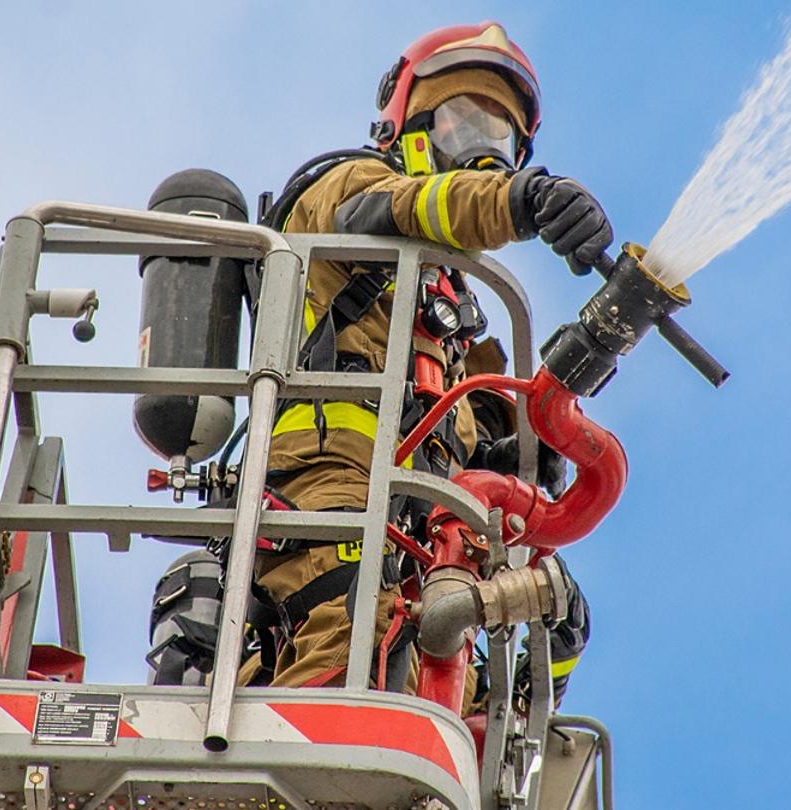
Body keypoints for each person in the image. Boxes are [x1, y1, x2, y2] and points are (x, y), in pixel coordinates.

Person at [238, 21, 600, 700]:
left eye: (503, 140)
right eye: (465, 124)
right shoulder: (352, 189)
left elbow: (462, 443)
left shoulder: (455, 318)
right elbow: (409, 207)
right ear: (408, 129)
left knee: (450, 676)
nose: (484, 153)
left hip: (426, 524)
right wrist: (521, 202)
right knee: (357, 634)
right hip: (329, 484)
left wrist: (511, 459)